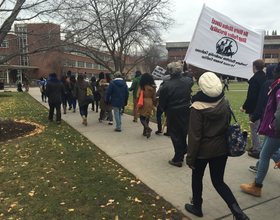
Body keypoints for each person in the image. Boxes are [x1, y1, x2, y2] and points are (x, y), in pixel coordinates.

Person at [185, 72, 249, 220]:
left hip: (202, 151)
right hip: (221, 148)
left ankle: (197, 207)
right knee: (219, 182)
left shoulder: (197, 107)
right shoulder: (224, 102)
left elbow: (195, 137)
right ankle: (239, 213)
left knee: (197, 178)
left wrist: (190, 158)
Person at [240, 63, 280, 197]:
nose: (272, 73)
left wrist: (275, 129)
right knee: (265, 149)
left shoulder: (279, 89)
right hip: (272, 127)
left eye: (274, 71)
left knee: (264, 155)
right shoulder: (275, 86)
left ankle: (257, 186)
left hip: (275, 129)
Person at [159, 61, 193, 167]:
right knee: (183, 131)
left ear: (170, 72)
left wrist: (164, 109)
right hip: (186, 109)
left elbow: (162, 102)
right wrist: (186, 69)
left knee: (175, 134)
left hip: (173, 111)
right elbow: (189, 77)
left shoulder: (166, 85)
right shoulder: (188, 81)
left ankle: (178, 157)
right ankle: (183, 149)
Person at [248, 64, 280, 172]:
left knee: (269, 152)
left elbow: (263, 103)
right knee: (264, 146)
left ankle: (257, 183)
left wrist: (255, 117)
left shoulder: (272, 85)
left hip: (271, 123)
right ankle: (258, 166)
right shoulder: (272, 83)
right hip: (272, 122)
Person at [239, 59, 266, 159]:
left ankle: (256, 150)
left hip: (255, 107)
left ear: (254, 66)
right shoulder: (265, 77)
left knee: (254, 129)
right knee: (259, 128)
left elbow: (251, 96)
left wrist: (244, 106)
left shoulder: (254, 79)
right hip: (263, 106)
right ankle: (256, 146)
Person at [137, 73, 157, 138]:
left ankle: (148, 129)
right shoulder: (153, 87)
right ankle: (144, 132)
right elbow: (154, 97)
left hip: (143, 102)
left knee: (142, 118)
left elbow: (138, 95)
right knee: (147, 116)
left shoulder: (142, 86)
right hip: (150, 102)